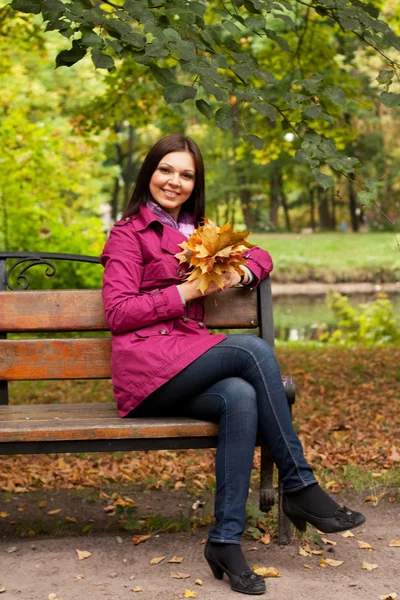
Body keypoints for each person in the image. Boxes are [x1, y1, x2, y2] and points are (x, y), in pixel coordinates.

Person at [100, 134, 365, 595]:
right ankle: (301, 485)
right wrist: (189, 290)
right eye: (166, 170)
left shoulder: (201, 233)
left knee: (240, 396)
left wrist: (240, 271)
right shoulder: (128, 234)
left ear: (195, 183)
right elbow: (118, 312)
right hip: (145, 372)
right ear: (149, 173)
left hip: (183, 359)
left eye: (186, 174)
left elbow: (261, 255)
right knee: (252, 351)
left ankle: (225, 541)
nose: (174, 181)